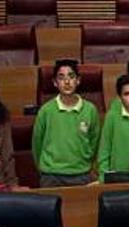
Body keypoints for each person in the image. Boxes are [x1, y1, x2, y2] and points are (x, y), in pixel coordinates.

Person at [32, 58, 99, 187]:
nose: (67, 82)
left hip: (81, 175)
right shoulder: (46, 111)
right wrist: (45, 168)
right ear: (55, 83)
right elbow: (37, 144)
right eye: (61, 78)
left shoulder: (90, 110)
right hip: (51, 176)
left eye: (71, 76)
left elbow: (94, 142)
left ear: (78, 80)